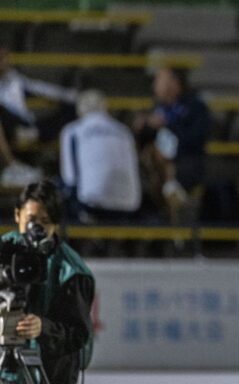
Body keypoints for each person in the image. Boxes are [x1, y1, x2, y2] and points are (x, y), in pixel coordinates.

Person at [0, 180, 94, 384]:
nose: (37, 228)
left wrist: (43, 328)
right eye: (31, 219)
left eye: (45, 221)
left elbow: (79, 335)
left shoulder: (71, 271)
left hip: (52, 374)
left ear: (56, 223)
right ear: (17, 215)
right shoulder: (4, 251)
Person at [132, 67, 210, 223]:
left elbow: (195, 140)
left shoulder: (195, 108)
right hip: (156, 166)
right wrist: (142, 127)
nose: (154, 85)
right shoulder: (158, 109)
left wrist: (165, 126)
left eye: (159, 80)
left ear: (174, 83)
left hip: (186, 164)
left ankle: (173, 201)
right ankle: (168, 199)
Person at [60, 89, 141, 223]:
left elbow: (69, 177)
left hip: (92, 206)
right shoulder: (124, 131)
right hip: (130, 205)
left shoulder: (72, 130)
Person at [0, 46, 77, 187]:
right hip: (7, 127)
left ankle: (66, 171)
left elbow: (43, 89)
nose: (3, 62)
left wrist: (70, 95)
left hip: (24, 125)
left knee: (71, 108)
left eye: (4, 58)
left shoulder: (15, 80)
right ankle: (12, 165)